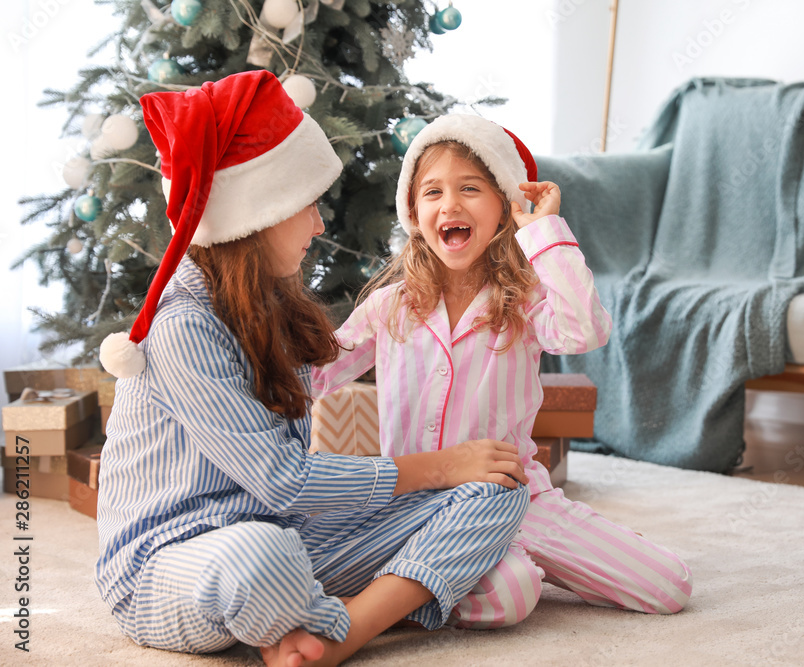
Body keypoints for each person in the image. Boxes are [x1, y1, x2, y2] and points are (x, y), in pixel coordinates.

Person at [95, 71, 530, 667]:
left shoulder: (266, 300)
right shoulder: (184, 325)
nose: (320, 225)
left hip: (286, 530)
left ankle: (341, 633)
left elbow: (287, 496)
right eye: (307, 206)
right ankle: (318, 612)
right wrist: (436, 466)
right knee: (264, 555)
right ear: (257, 213)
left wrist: (458, 474)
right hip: (172, 561)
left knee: (496, 491)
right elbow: (282, 479)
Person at [312, 114, 693, 629]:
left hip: (515, 498)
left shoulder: (527, 301)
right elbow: (316, 374)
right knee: (510, 594)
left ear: (504, 208)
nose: (450, 204)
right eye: (432, 192)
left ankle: (434, 574)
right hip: (415, 508)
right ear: (413, 212)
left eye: (470, 188)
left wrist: (543, 233)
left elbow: (584, 333)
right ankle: (420, 579)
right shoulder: (391, 307)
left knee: (670, 585)